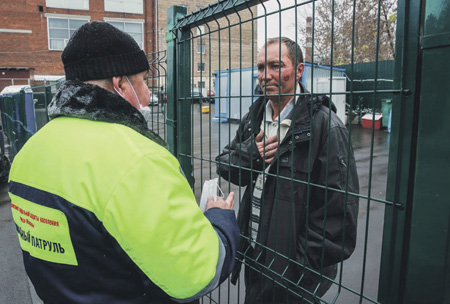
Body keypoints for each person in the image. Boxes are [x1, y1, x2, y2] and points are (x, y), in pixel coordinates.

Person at [9, 21, 239, 304]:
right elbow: (196, 274)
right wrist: (220, 220)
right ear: (120, 83)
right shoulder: (138, 159)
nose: (147, 95)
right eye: (142, 80)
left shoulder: (29, 151)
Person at [216, 37, 359, 303]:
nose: (265, 75)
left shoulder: (325, 127)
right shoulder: (254, 118)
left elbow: (338, 218)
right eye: (260, 67)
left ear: (299, 70)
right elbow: (226, 166)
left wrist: (297, 269)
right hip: (256, 258)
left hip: (295, 275)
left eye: (275, 66)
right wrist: (252, 155)